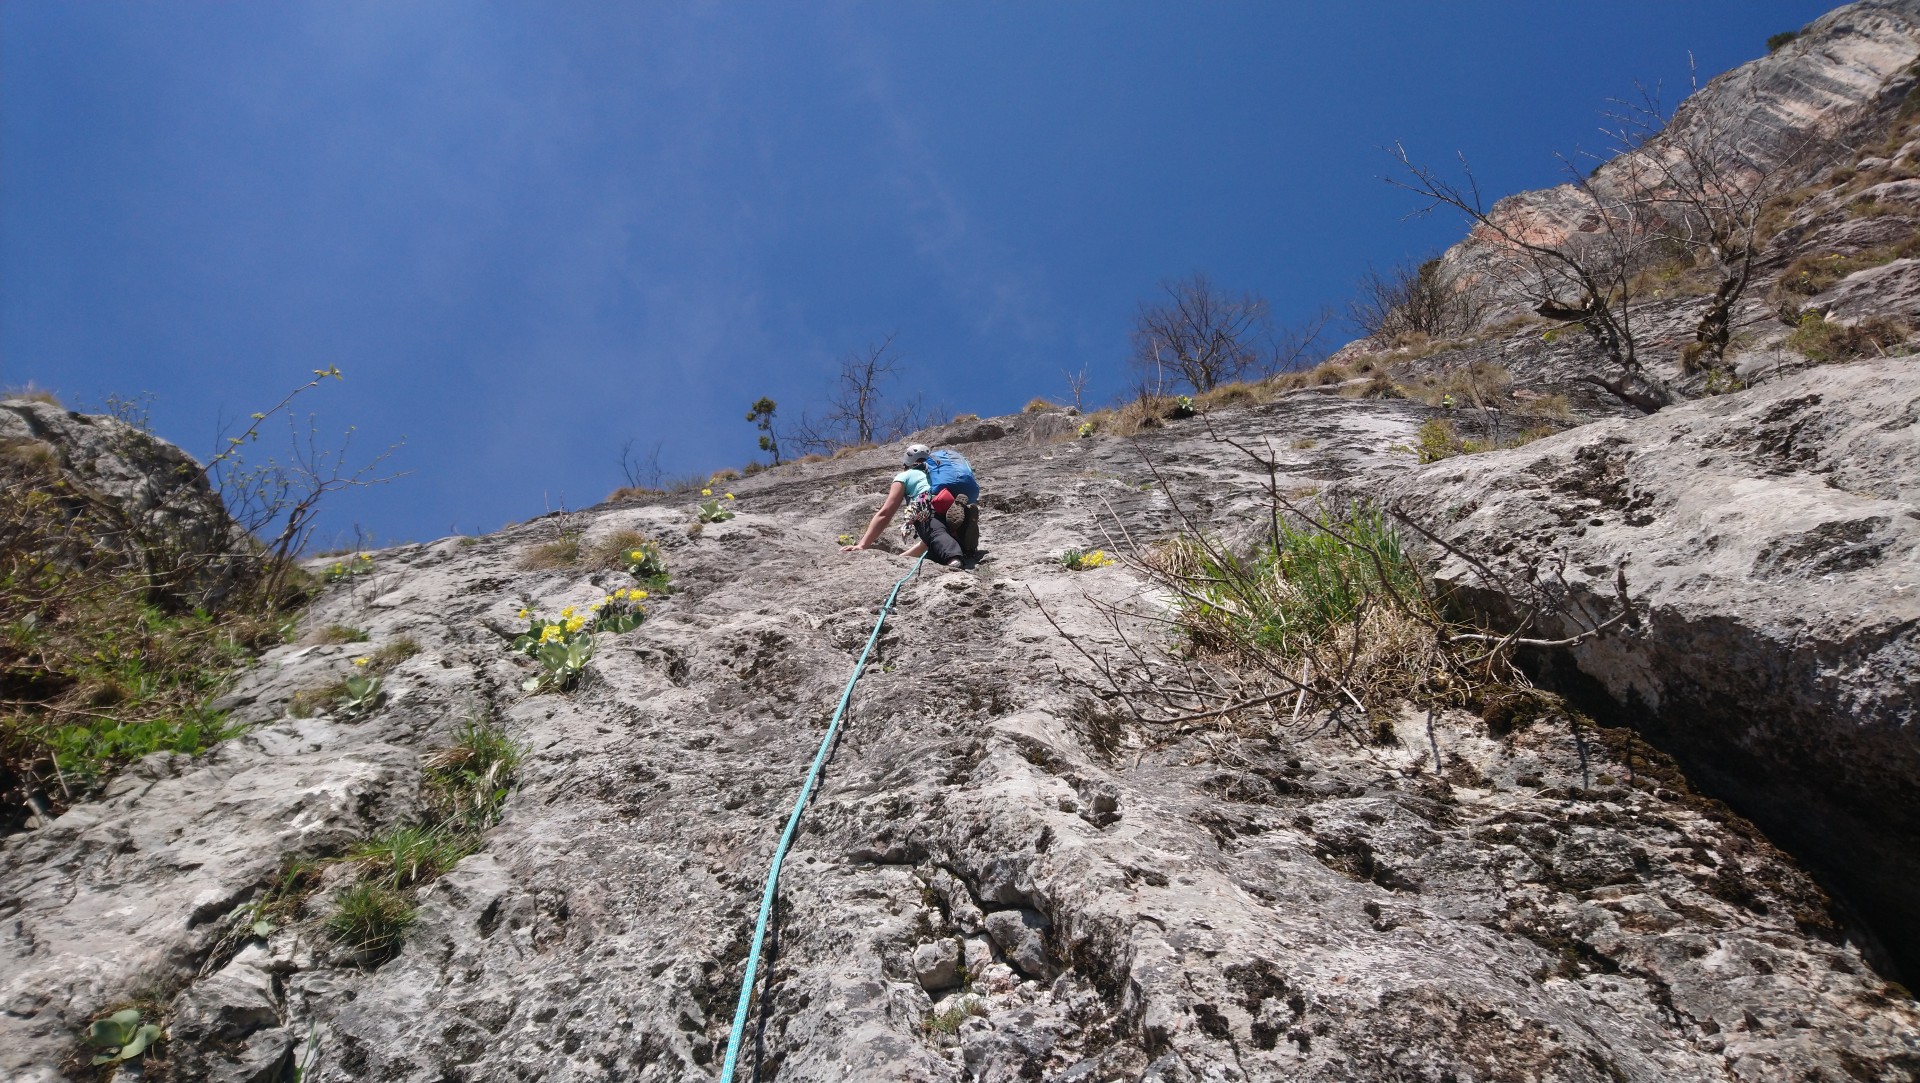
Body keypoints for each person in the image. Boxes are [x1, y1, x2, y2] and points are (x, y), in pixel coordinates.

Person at [840, 444, 978, 567]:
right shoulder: (937, 475)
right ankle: (962, 537)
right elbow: (927, 541)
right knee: (935, 543)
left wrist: (862, 545)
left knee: (935, 532)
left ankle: (953, 556)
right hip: (947, 500)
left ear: (907, 462)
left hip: (924, 503)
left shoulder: (905, 476)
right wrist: (901, 558)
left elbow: (886, 513)